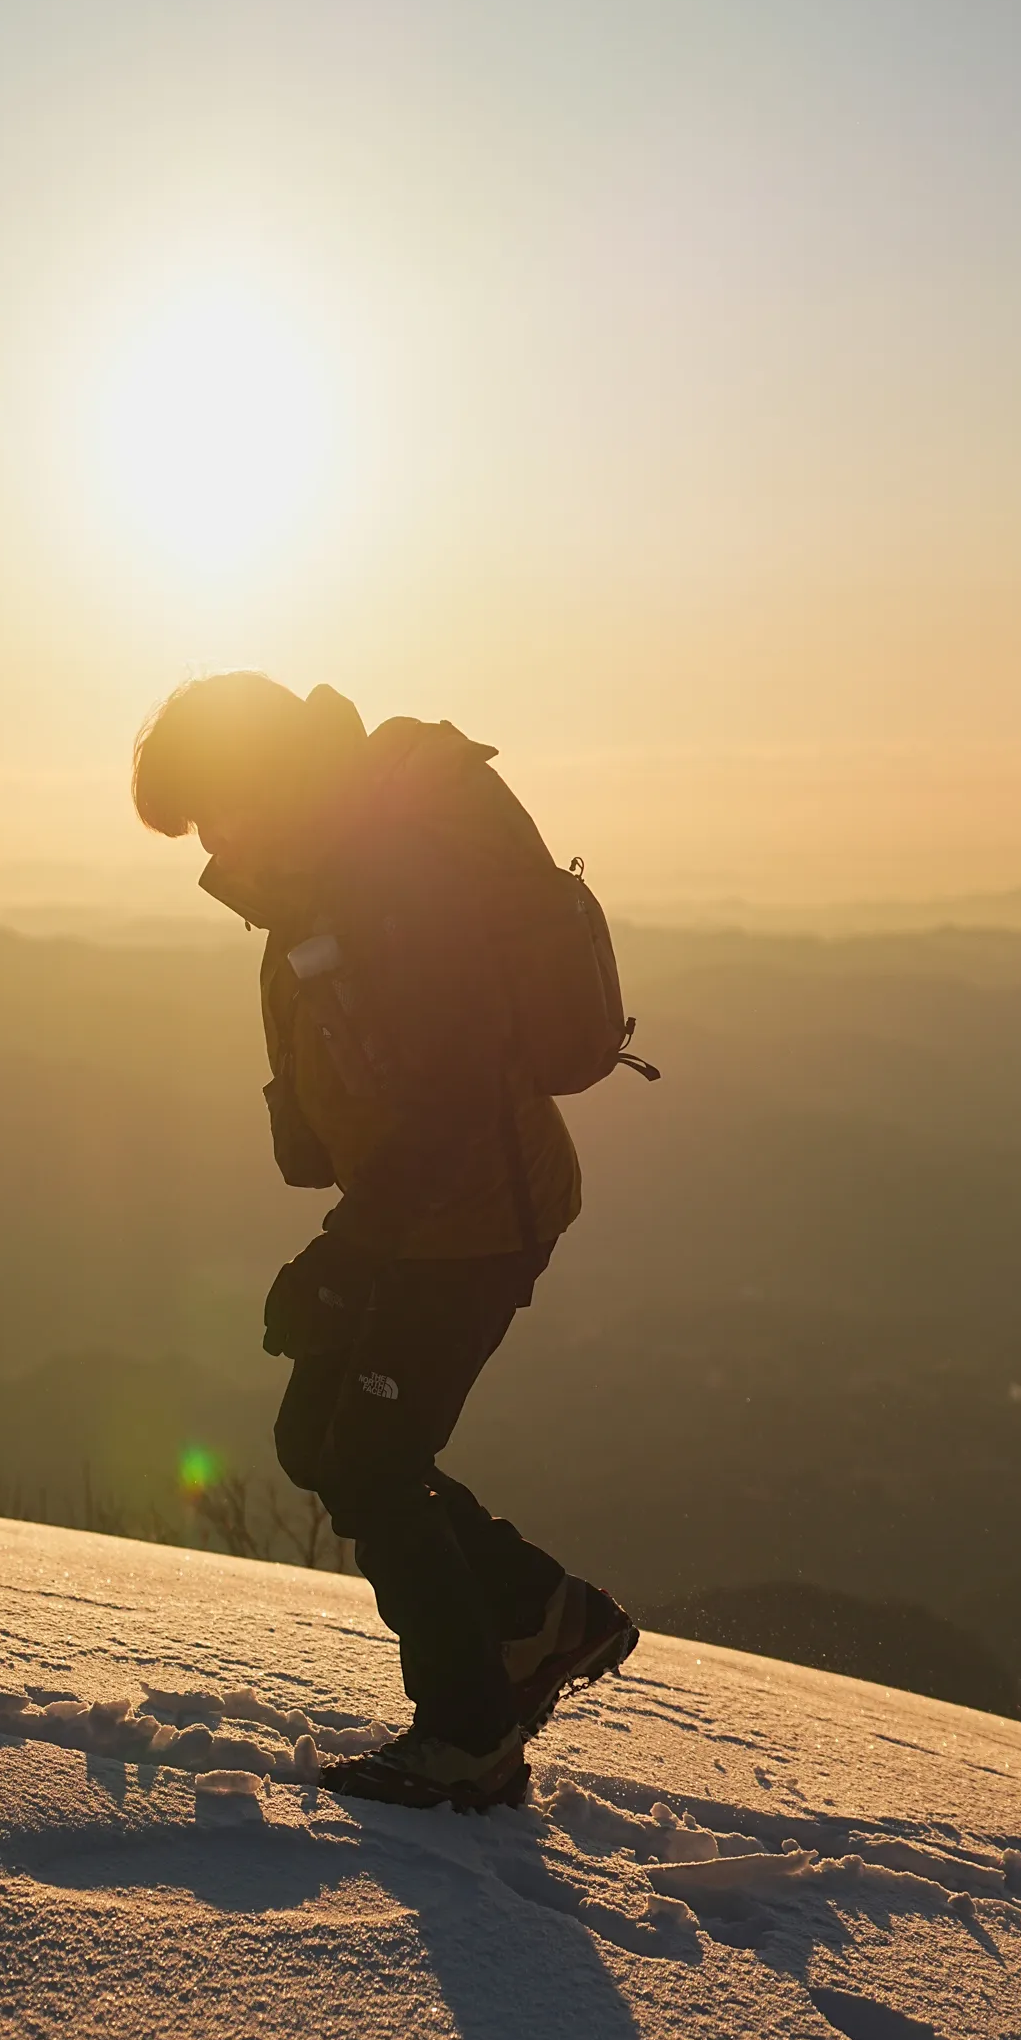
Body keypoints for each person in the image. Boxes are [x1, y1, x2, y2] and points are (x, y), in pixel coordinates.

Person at [132, 671, 637, 1811]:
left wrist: (348, 1251)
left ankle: (471, 1734)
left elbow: (456, 1096)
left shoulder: (385, 872)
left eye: (211, 810)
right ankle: (540, 1614)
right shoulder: (314, 875)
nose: (209, 842)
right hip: (413, 1215)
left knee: (367, 1455)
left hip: (473, 1218)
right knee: (319, 1438)